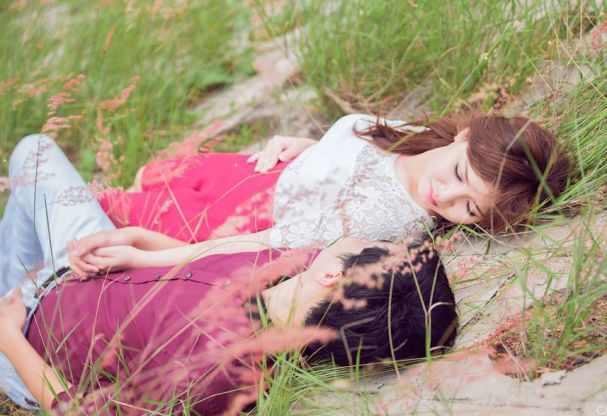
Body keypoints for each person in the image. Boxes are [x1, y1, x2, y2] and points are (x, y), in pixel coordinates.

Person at [0, 134, 458, 414]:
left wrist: (10, 336)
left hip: (33, 340)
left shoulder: (221, 374)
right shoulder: (298, 268)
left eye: (367, 245)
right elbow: (198, 262)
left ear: (333, 277)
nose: (355, 238)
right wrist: (136, 245)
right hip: (91, 262)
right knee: (34, 151)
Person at [68, 111, 572, 277]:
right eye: (460, 172)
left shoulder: (386, 217)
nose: (445, 195)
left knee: (109, 206)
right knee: (147, 173)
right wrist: (311, 149)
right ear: (465, 135)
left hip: (236, 218)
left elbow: (262, 245)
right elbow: (360, 155)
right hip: (258, 170)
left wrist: (146, 256)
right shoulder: (424, 137)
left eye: (470, 208)